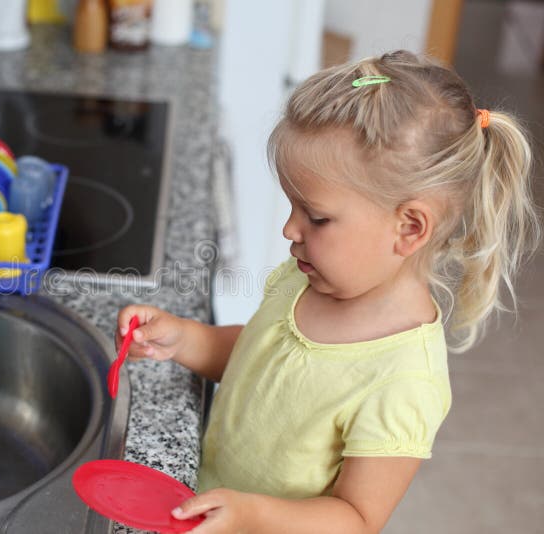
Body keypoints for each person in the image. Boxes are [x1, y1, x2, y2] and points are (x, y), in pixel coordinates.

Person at [116, 50, 540, 533]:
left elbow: (356, 519)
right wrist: (188, 340)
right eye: (294, 207)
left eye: (316, 217)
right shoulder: (311, 276)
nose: (290, 229)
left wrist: (250, 515)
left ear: (409, 228)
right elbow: (264, 359)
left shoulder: (404, 379)